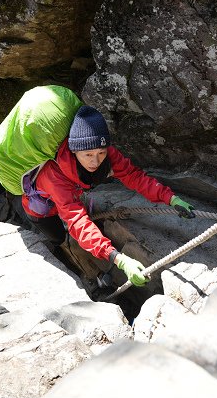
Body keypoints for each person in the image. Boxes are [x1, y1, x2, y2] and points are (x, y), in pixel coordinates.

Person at [22, 105, 196, 288]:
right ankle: (79, 269)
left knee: (83, 226)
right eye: (88, 154)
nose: (95, 161)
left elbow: (134, 177)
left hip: (72, 198)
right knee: (58, 237)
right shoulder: (53, 174)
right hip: (43, 210)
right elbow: (77, 221)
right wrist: (118, 259)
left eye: (101, 153)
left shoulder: (107, 155)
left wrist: (171, 198)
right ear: (74, 150)